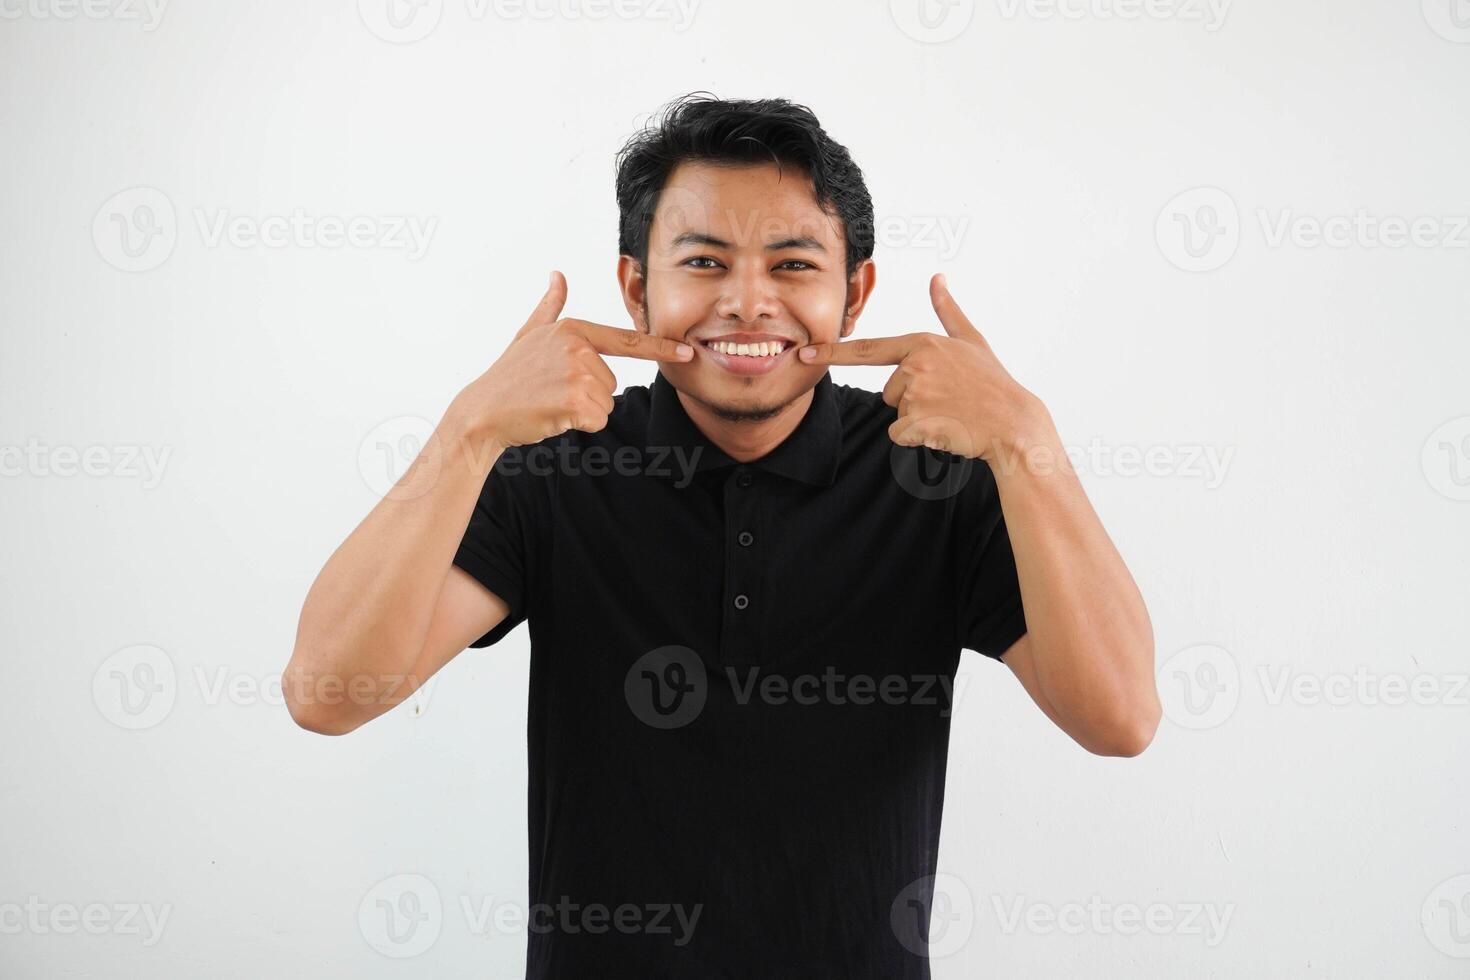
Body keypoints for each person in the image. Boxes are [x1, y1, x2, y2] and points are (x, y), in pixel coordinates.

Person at [284, 93, 1160, 979]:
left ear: (853, 293)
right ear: (637, 289)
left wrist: (1028, 441)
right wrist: (466, 429)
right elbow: (328, 693)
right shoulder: (553, 467)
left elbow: (1120, 719)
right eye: (704, 262)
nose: (748, 304)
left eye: (792, 264)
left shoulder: (934, 472)